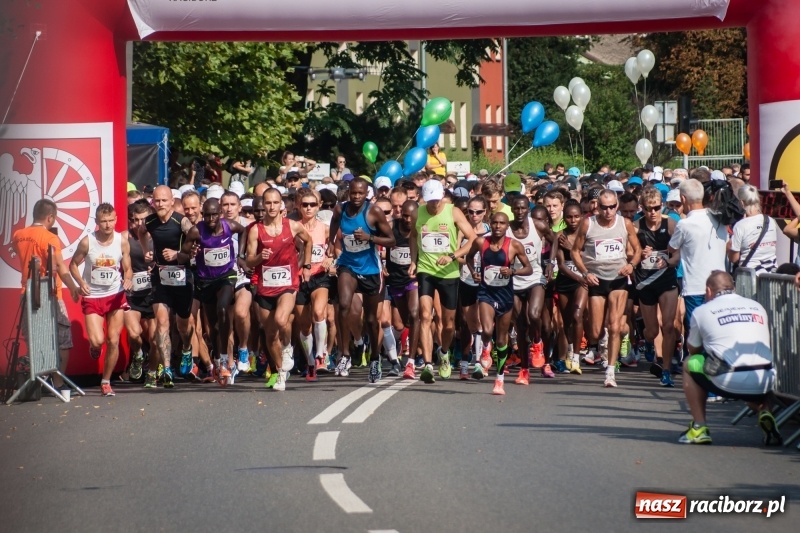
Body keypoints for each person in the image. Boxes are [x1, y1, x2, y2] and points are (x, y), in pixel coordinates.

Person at [679, 271, 782, 446]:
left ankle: (699, 427)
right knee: (756, 365)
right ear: (734, 288)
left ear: (708, 290)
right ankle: (765, 411)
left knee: (690, 363)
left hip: (728, 378)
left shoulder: (701, 311)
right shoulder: (757, 306)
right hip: (764, 378)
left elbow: (693, 348)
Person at [327, 177, 396, 383]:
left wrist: (369, 238)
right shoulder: (340, 209)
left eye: (360, 193)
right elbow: (334, 222)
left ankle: (374, 358)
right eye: (353, 193)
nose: (356, 197)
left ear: (367, 194)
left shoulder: (374, 212)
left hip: (370, 269)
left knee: (371, 320)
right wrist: (331, 241)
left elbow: (391, 240)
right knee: (344, 305)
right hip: (348, 264)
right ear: (349, 193)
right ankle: (345, 354)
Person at [572, 189, 641, 388]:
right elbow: (575, 251)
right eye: (604, 207)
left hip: (618, 279)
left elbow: (637, 249)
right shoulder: (588, 223)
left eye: (612, 207)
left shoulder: (625, 223)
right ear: (597, 206)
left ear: (616, 206)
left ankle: (610, 371)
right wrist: (585, 273)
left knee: (614, 326)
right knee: (595, 333)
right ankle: (612, 339)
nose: (608, 211)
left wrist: (632, 265)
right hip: (597, 280)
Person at [409, 179, 477, 383]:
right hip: (426, 270)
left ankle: (444, 353)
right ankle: (428, 365)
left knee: (448, 324)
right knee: (424, 315)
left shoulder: (453, 212)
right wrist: (413, 261)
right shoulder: (418, 213)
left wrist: (453, 256)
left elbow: (472, 238)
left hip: (449, 273)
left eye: (437, 200)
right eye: (430, 200)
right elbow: (413, 236)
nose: (434, 204)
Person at [246, 188, 314, 391]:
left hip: (288, 284)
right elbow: (249, 260)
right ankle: (280, 372)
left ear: (281, 205)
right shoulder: (256, 230)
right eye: (268, 203)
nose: (272, 207)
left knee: (280, 320)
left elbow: (308, 241)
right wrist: (260, 257)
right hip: (265, 286)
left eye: (275, 202)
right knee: (270, 335)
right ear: (263, 205)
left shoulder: (292, 226)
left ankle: (287, 348)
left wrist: (306, 265)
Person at [12, 199, 81, 391]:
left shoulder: (18, 235)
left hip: (27, 293)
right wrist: (73, 288)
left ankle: (39, 380)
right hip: (49, 294)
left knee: (35, 338)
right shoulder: (50, 238)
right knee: (63, 339)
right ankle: (57, 382)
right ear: (50, 218)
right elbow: (59, 267)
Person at [465, 212, 532, 395]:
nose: (497, 226)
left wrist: (512, 272)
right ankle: (486, 348)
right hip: (486, 293)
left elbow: (528, 268)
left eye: (502, 223)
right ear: (490, 223)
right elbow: (469, 258)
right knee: (487, 330)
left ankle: (499, 379)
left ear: (506, 226)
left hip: (505, 295)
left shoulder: (514, 245)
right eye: (494, 222)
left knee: (502, 340)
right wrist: (474, 272)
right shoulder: (481, 242)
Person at [180, 198, 246, 386]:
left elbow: (244, 231)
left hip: (226, 276)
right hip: (206, 281)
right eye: (207, 215)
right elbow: (182, 255)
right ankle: (217, 361)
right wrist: (191, 254)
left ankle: (225, 359)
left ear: (220, 214)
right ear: (203, 215)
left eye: (214, 215)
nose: (211, 219)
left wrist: (241, 256)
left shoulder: (229, 226)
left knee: (223, 308)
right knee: (213, 327)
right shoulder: (196, 231)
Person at [69, 203, 133, 396]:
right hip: (93, 296)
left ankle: (106, 381)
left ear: (116, 219)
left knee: (113, 340)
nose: (108, 225)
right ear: (96, 221)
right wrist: (81, 282)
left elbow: (128, 267)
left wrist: (128, 279)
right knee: (98, 341)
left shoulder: (121, 241)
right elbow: (73, 265)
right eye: (103, 221)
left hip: (115, 294)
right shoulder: (87, 242)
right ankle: (94, 346)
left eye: (111, 220)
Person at [137, 185, 196, 388]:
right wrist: (146, 251)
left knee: (183, 325)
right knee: (162, 322)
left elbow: (195, 239)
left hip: (182, 276)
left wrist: (178, 254)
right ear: (152, 202)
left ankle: (186, 348)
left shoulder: (181, 221)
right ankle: (167, 369)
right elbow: (141, 232)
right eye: (157, 201)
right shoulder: (149, 221)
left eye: (164, 200)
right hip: (160, 277)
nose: (161, 204)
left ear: (172, 201)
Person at [668, 179, 728, 368]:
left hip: (695, 287)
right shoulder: (720, 219)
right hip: (720, 285)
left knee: (698, 334)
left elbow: (671, 248)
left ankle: (703, 378)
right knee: (717, 331)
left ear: (683, 199)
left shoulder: (684, 224)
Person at [633, 187, 680, 387]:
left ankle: (666, 370)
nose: (652, 212)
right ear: (642, 208)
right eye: (648, 208)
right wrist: (640, 254)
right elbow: (629, 255)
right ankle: (647, 340)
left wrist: (668, 262)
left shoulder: (671, 224)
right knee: (652, 331)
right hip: (645, 282)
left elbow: (678, 254)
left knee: (668, 326)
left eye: (656, 208)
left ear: (662, 206)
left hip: (666, 279)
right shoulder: (636, 226)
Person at [507, 195, 556, 385]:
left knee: (534, 314)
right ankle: (524, 370)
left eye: (523, 208)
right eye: (516, 208)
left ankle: (537, 343)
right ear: (512, 209)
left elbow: (554, 240)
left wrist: (550, 263)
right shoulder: (507, 229)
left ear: (528, 209)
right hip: (514, 278)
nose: (519, 212)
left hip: (535, 276)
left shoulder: (537, 225)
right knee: (520, 325)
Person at [294, 188, 334, 382]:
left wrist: (330, 258)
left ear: (319, 206)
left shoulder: (325, 228)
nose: (308, 208)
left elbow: (336, 246)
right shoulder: (293, 228)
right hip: (299, 279)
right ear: (299, 207)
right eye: (305, 205)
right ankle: (310, 363)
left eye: (312, 204)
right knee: (304, 327)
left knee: (319, 312)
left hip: (319, 276)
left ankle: (321, 355)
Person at [456, 196, 490, 380]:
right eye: (470, 212)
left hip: (487, 281)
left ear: (485, 212)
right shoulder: (461, 231)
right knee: (467, 322)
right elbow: (456, 255)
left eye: (478, 212)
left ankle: (478, 361)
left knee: (482, 321)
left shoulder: (491, 231)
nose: (474, 215)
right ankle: (465, 361)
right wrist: (469, 264)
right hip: (466, 280)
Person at [386, 200, 420, 379]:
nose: (408, 219)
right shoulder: (391, 227)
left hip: (413, 280)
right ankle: (407, 345)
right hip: (395, 280)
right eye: (405, 216)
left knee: (415, 315)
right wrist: (382, 264)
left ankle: (410, 361)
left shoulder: (421, 229)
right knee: (405, 321)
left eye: (411, 216)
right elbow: (377, 245)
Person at [123, 200, 156, 382]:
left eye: (143, 220)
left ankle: (155, 367)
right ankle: (137, 355)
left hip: (154, 294)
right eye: (135, 220)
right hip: (133, 294)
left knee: (155, 337)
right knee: (134, 333)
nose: (138, 224)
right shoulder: (124, 237)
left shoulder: (158, 235)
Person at [554, 201, 587, 375]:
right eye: (569, 217)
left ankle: (576, 358)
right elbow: (561, 265)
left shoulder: (587, 233)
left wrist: (572, 249)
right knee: (566, 321)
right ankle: (568, 351)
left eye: (576, 216)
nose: (573, 220)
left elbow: (590, 256)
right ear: (564, 218)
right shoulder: (560, 235)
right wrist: (577, 277)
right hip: (566, 279)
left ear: (582, 216)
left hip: (583, 280)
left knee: (577, 315)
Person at [728, 185, 777, 275]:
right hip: (771, 275)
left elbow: (734, 258)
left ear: (741, 202)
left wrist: (727, 247)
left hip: (749, 276)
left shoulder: (740, 226)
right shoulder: (771, 221)